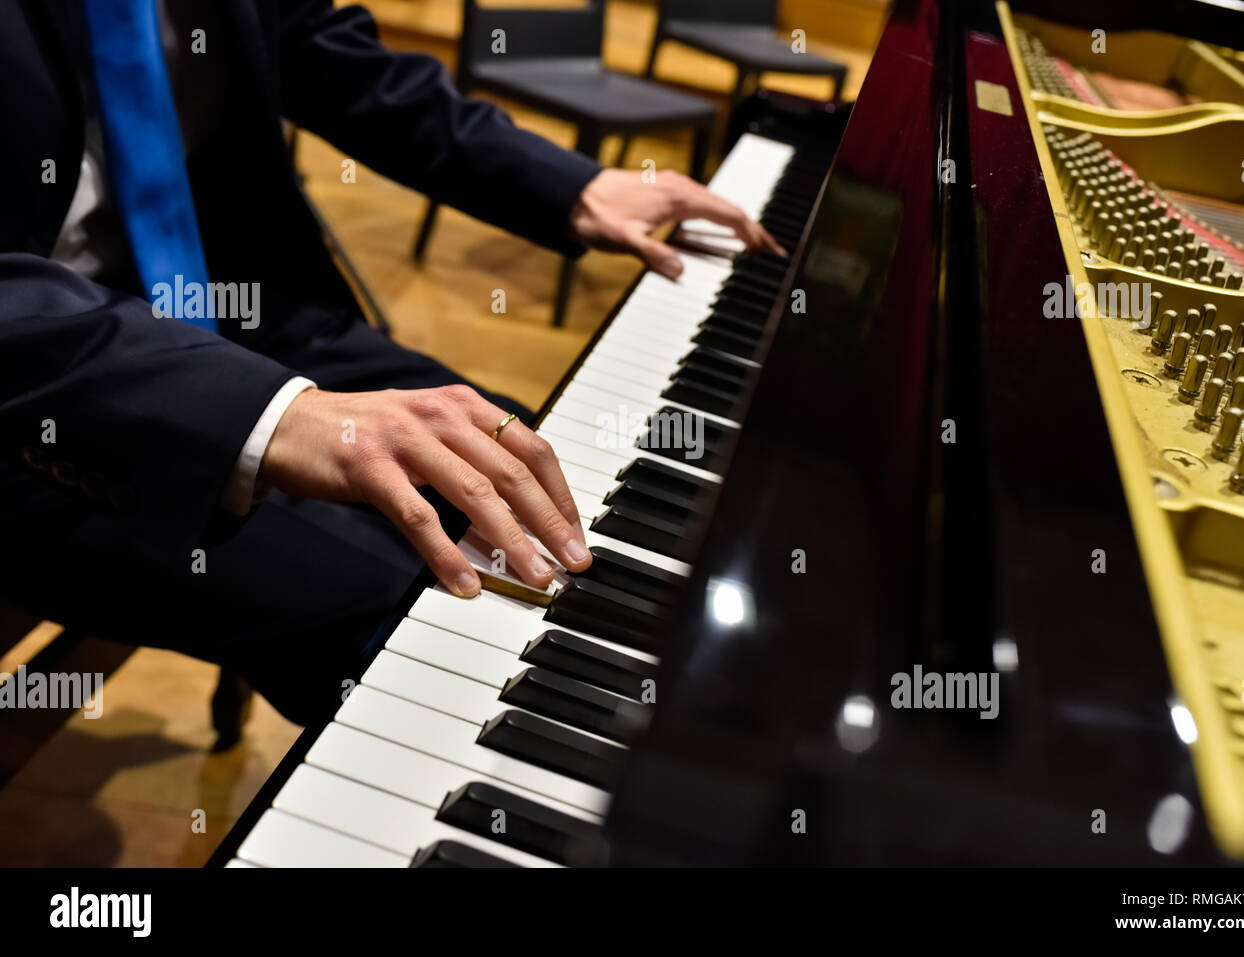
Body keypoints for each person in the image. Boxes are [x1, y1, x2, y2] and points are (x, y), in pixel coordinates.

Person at [0, 0, 777, 724]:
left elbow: (321, 53)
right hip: (34, 399)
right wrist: (274, 416)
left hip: (233, 310)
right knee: (418, 627)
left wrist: (574, 184)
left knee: (553, 483)